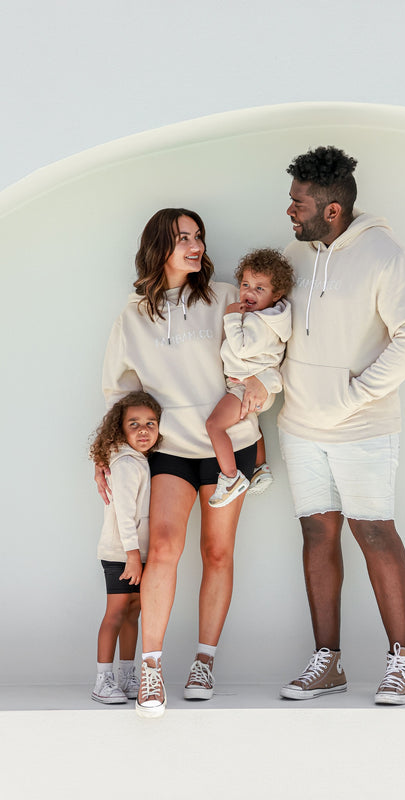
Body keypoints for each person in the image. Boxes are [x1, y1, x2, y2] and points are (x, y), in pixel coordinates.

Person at [95, 208, 279, 718]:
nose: (195, 246)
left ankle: (204, 660)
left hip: (230, 444)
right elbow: (118, 393)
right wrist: (109, 451)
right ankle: (151, 668)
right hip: (170, 449)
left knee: (217, 552)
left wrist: (260, 393)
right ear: (160, 246)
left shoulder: (224, 296)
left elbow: (264, 359)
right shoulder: (132, 316)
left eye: (198, 237)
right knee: (164, 547)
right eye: (183, 238)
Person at [278, 146, 405, 705]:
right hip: (299, 425)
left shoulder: (386, 255)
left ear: (333, 209)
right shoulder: (297, 257)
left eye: (298, 203)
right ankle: (329, 662)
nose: (289, 210)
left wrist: (356, 395)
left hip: (363, 426)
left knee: (373, 532)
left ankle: (402, 660)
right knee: (317, 533)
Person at [89, 391, 162, 704]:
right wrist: (132, 556)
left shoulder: (140, 460)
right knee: (116, 613)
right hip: (121, 554)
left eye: (151, 424)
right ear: (120, 429)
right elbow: (124, 514)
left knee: (134, 613)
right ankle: (102, 680)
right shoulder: (125, 463)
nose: (143, 430)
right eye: (134, 424)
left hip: (138, 554)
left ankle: (128, 675)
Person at [206, 248, 294, 507]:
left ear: (276, 294)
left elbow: (241, 347)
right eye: (245, 284)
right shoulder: (273, 318)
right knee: (250, 423)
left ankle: (231, 477)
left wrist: (232, 317)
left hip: (244, 387)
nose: (249, 293)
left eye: (259, 288)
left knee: (215, 425)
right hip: (255, 387)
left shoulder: (259, 322)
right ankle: (260, 467)